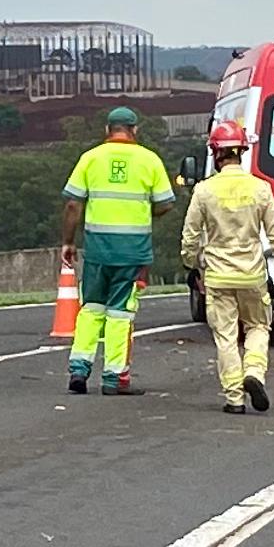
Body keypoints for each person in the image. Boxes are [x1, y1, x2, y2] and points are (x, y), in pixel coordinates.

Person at [57, 104, 180, 395]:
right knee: (120, 313)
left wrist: (68, 242)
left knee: (91, 308)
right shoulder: (149, 160)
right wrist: (141, 211)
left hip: (98, 250)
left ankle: (79, 368)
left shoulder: (90, 158)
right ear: (135, 130)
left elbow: (73, 204)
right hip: (132, 252)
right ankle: (113, 377)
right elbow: (166, 203)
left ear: (107, 131)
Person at [183, 117, 274, 412]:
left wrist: (191, 265)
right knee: (258, 326)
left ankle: (234, 398)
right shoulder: (260, 188)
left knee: (226, 337)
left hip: (217, 277)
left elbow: (190, 235)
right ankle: (254, 372)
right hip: (252, 275)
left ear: (216, 153)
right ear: (241, 151)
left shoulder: (203, 190)